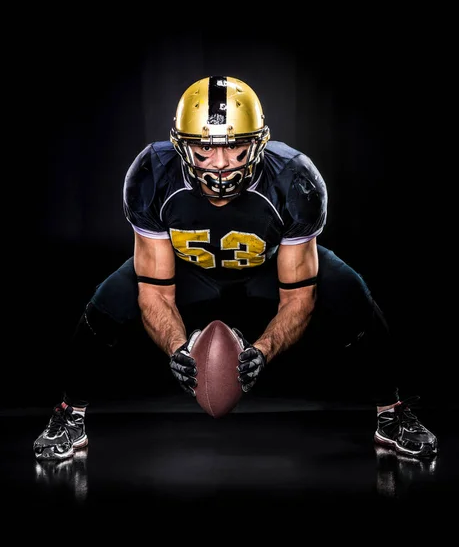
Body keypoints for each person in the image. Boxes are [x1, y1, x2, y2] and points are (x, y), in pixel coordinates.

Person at [34, 75, 438, 461]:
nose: (221, 164)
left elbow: (299, 298)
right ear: (181, 146)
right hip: (187, 266)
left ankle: (392, 412)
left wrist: (262, 351)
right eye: (205, 148)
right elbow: (155, 290)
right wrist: (179, 347)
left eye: (235, 147)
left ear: (259, 144)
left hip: (267, 263)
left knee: (351, 292)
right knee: (105, 305)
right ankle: (70, 413)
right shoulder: (153, 173)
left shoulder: (293, 179)